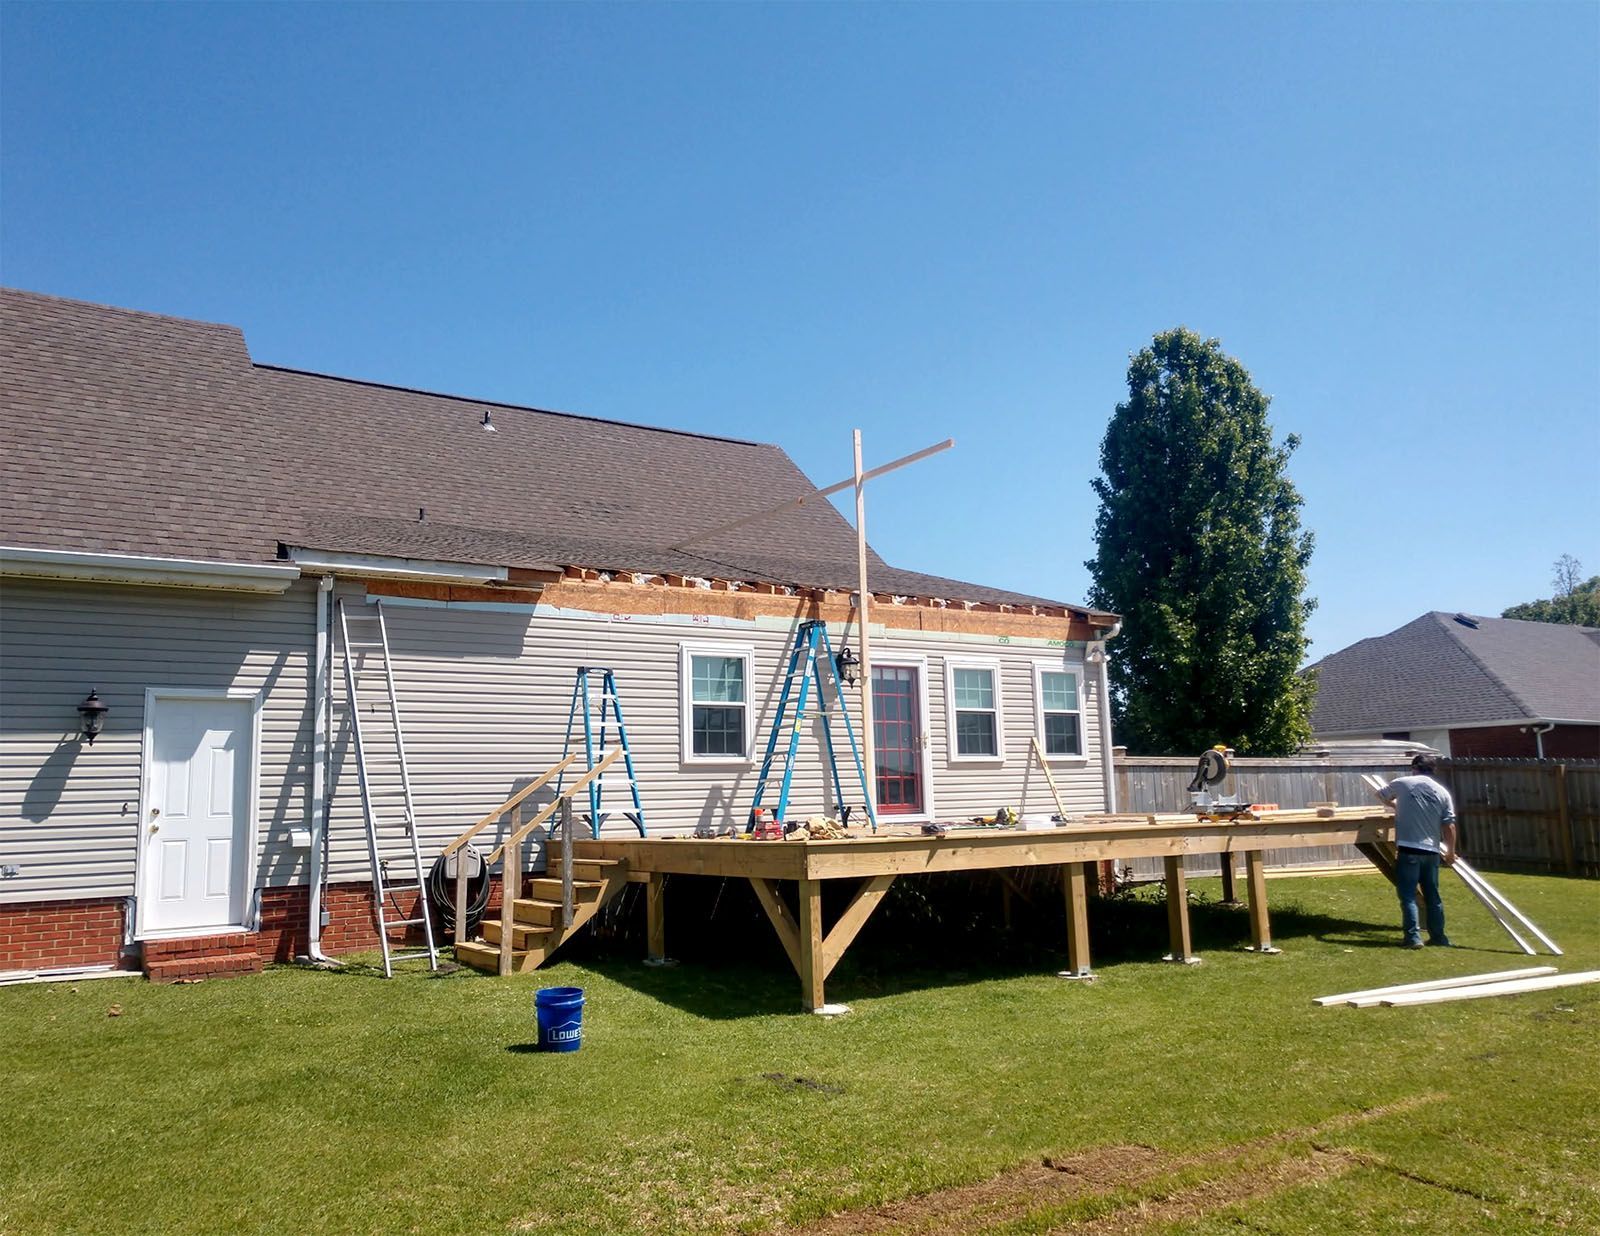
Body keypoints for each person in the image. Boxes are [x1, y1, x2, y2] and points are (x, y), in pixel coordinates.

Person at [1374, 753, 1458, 948]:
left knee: (1408, 895)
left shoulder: (1402, 783)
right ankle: (1439, 937)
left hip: (1409, 849)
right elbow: (1449, 826)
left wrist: (1395, 805)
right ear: (1432, 770)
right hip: (1432, 851)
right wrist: (1451, 852)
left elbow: (1380, 794)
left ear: (1414, 767)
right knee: (1433, 895)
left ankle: (1413, 938)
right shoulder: (1442, 791)